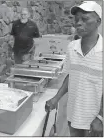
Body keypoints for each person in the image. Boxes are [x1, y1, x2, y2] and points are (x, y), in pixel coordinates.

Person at [45, 1, 103, 137]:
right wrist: (56, 98)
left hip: (95, 121)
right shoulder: (72, 47)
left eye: (85, 19)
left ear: (98, 22)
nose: (78, 23)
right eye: (76, 19)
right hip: (73, 116)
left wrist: (101, 117)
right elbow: (72, 76)